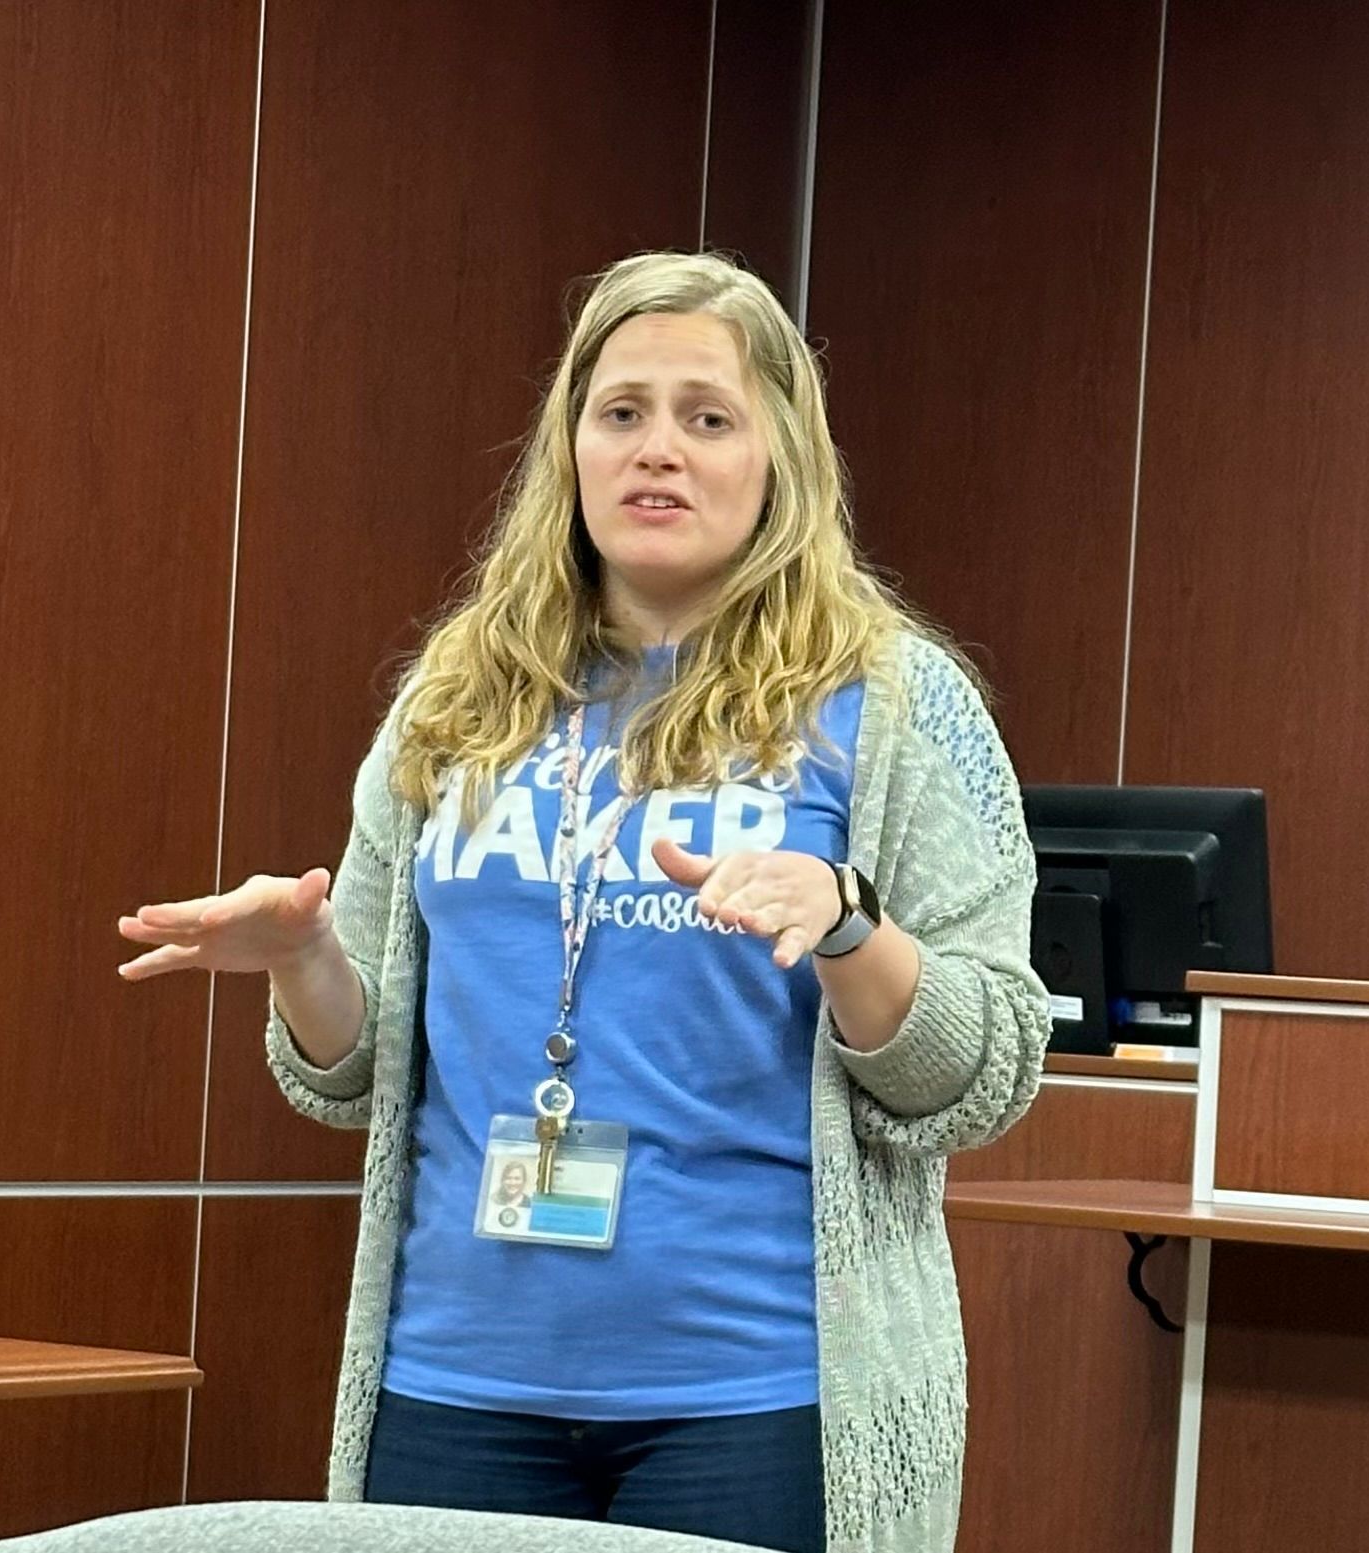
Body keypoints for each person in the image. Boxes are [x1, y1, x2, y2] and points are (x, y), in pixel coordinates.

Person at [118, 251, 1049, 1553]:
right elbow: (355, 1070)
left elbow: (991, 1067)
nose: (655, 449)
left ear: (779, 452)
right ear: (569, 447)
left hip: (759, 1397)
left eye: (704, 416)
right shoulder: (460, 692)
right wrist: (302, 957)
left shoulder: (893, 705)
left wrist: (847, 925)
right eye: (620, 412)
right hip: (455, 1382)